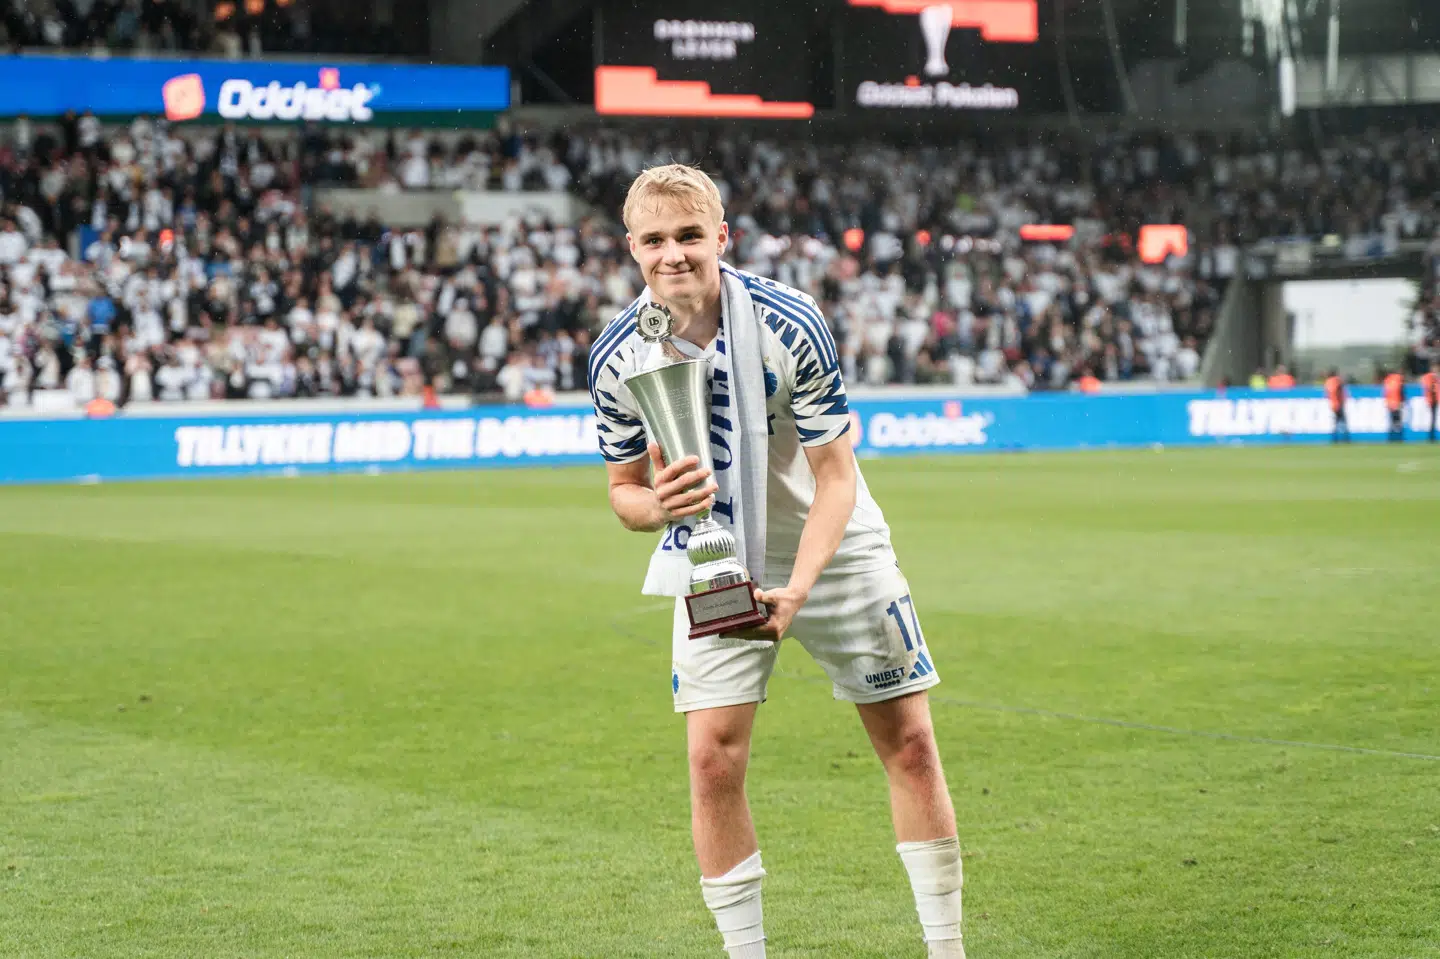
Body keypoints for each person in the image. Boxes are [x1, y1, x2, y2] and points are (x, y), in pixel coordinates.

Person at [588, 165, 963, 958]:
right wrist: (664, 503)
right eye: (655, 240)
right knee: (711, 760)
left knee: (910, 743)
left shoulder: (791, 322)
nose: (674, 255)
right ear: (632, 249)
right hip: (713, 554)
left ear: (723, 237)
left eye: (690, 235)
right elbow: (623, 492)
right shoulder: (617, 354)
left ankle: (946, 948)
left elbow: (837, 473)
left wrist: (796, 588)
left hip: (834, 547)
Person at [1324, 368, 1348, 444]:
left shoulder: (1327, 382)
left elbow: (1327, 393)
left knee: (1335, 422)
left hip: (1332, 404)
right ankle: (1345, 438)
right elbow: (1338, 388)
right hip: (1338, 403)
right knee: (1343, 422)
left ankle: (1334, 438)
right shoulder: (1336, 380)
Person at [1383, 367, 1406, 442]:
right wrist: (1402, 401)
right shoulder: (1399, 378)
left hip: (1390, 403)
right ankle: (1399, 438)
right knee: (1398, 422)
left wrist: (1386, 401)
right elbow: (1401, 390)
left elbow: (1386, 392)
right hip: (1397, 402)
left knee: (1392, 421)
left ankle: (1392, 438)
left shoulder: (1387, 379)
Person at [1423, 361, 1438, 443]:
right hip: (1431, 401)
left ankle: (1432, 436)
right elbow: (1428, 388)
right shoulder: (1429, 377)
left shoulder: (1434, 377)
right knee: (1431, 419)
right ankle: (1430, 437)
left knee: (1433, 419)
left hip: (1434, 400)